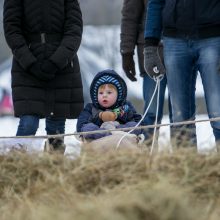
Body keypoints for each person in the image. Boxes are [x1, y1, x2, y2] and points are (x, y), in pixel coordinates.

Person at [3, 0, 84, 152]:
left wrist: (57, 61)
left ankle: (53, 170)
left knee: (56, 126)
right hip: (27, 66)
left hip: (62, 66)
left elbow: (74, 29)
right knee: (28, 123)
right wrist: (30, 62)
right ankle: (17, 167)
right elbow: (12, 30)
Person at [144, 0, 220, 148]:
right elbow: (156, 2)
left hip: (213, 37)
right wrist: (150, 46)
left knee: (218, 110)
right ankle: (186, 167)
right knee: (180, 118)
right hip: (174, 40)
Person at [120, 0, 172, 141]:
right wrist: (127, 52)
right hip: (151, 55)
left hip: (183, 52)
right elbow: (130, 17)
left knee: (181, 113)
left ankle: (183, 154)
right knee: (151, 112)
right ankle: (148, 156)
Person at [77, 69, 143, 141]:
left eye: (109, 92)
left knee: (133, 125)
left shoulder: (126, 106)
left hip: (121, 136)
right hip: (99, 138)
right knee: (88, 127)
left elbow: (138, 122)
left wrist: (119, 115)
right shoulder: (90, 108)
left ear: (118, 95)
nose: (104, 95)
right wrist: (99, 116)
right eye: (101, 93)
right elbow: (81, 125)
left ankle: (117, 133)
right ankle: (108, 135)